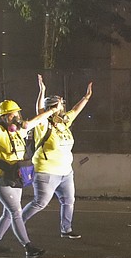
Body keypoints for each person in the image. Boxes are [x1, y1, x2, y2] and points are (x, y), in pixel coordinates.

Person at [0, 93, 57, 258]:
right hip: (1, 176)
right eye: (12, 114)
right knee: (15, 211)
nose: (16, 117)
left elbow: (36, 121)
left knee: (9, 212)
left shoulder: (19, 131)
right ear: (5, 117)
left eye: (17, 113)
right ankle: (28, 246)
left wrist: (51, 112)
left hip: (16, 175)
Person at [21, 74, 94, 239]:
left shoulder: (64, 123)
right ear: (53, 108)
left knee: (68, 201)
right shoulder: (43, 124)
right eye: (61, 106)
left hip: (66, 172)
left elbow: (75, 110)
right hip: (47, 171)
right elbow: (39, 111)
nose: (64, 109)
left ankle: (66, 229)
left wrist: (86, 97)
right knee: (40, 203)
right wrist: (42, 91)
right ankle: (18, 222)